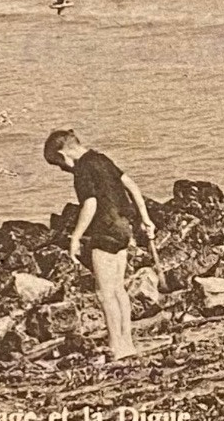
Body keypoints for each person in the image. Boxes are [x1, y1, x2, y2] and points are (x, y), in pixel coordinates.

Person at [44, 131, 156, 361]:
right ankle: (128, 343)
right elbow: (132, 186)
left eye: (59, 164)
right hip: (124, 227)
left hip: (104, 230)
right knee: (119, 289)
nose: (63, 169)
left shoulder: (82, 169)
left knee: (104, 293)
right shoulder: (102, 158)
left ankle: (116, 347)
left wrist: (75, 237)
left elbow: (91, 204)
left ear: (63, 154)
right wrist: (146, 219)